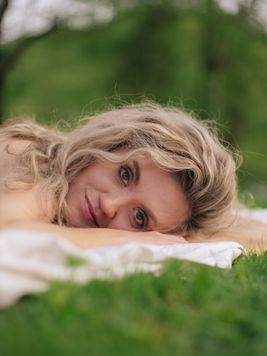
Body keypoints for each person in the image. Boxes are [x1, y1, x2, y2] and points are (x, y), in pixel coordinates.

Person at [0, 102, 265, 252]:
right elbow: (10, 232)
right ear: (109, 143)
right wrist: (136, 237)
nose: (110, 205)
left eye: (139, 218)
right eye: (124, 174)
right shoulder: (29, 156)